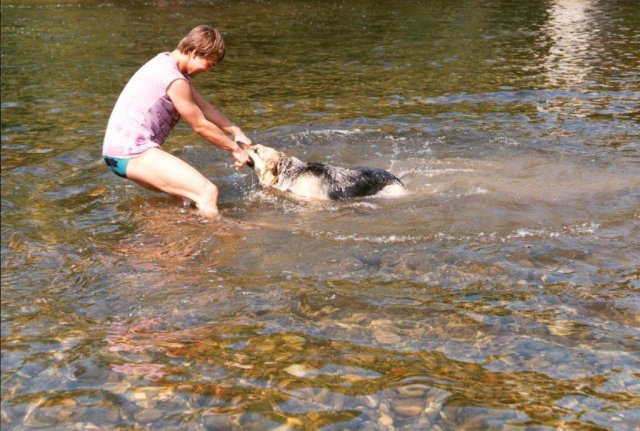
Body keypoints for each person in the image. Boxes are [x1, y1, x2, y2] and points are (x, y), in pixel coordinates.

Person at [102, 25, 251, 218]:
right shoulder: (174, 79)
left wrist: (236, 131)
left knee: (184, 197)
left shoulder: (165, 62)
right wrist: (235, 149)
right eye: (209, 63)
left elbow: (204, 107)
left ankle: (160, 232)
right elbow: (200, 126)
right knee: (207, 193)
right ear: (195, 52)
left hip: (116, 153)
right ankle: (219, 237)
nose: (208, 70)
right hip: (131, 152)